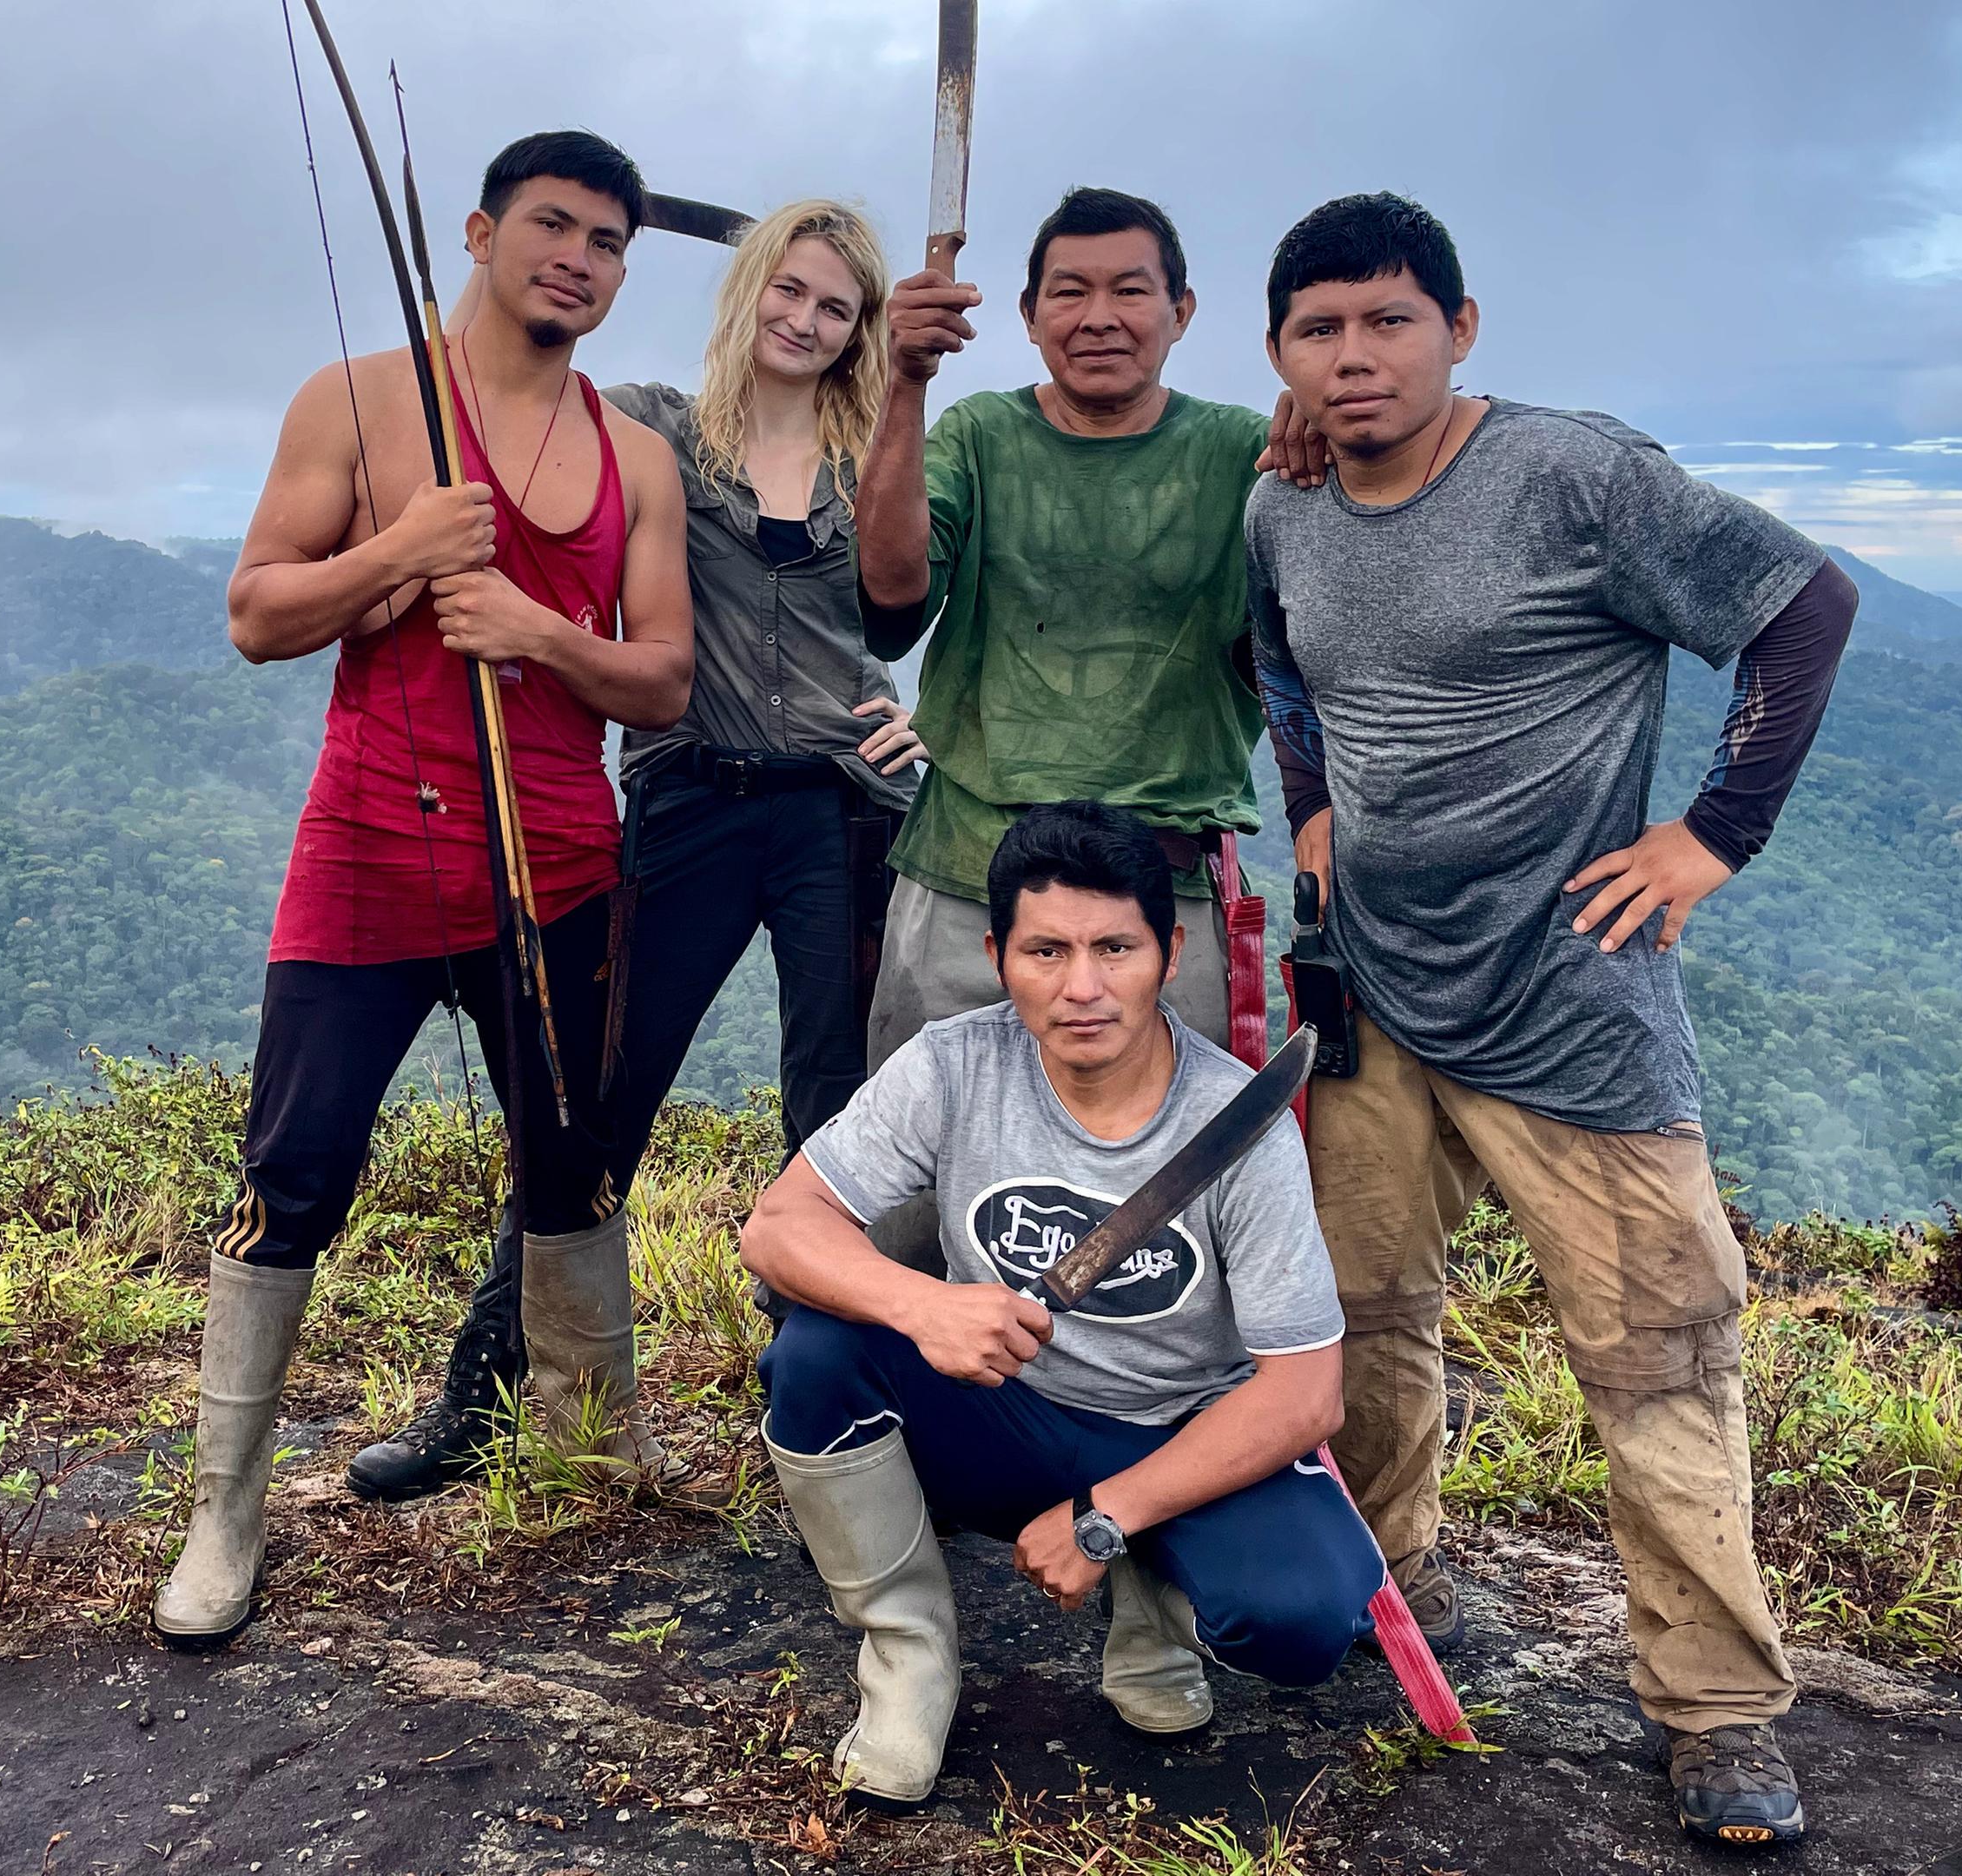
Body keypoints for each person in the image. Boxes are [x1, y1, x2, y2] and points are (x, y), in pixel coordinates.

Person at [1249, 191, 1860, 1846]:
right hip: (1373, 992)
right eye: (1322, 328)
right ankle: (1385, 1585)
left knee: (1660, 1351)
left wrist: (1714, 834)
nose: (1357, 355)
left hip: (1574, 1006)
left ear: (1461, 325)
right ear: (1282, 355)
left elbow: (1802, 608)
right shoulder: (1284, 506)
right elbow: (1282, 666)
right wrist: (1308, 800)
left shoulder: (1574, 476)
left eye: (1389, 319)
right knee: (1362, 1323)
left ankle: (1720, 1707)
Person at [151, 130, 695, 1648]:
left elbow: (659, 681)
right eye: (551, 225)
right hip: (370, 857)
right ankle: (225, 1517)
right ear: (478, 230)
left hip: (564, 862)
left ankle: (594, 1449)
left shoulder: (630, 455)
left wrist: (533, 627)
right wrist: (399, 547)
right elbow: (260, 613)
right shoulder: (360, 402)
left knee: (570, 1164)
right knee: (296, 1167)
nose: (576, 257)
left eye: (604, 241)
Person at [343, 200, 927, 1501]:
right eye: (789, 292)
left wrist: (925, 724)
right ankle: (484, 1395)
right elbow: (522, 452)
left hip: (841, 812)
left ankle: (817, 1427)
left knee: (832, 1110)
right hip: (688, 800)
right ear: (748, 295)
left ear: (861, 331)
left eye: (836, 308)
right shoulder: (651, 428)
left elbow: (919, 607)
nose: (805, 321)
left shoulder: (874, 457)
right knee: (597, 1093)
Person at [739, 801, 1383, 1807]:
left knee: (1305, 1618)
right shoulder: (955, 1064)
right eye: (1046, 950)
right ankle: (910, 1652)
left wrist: (1104, 1519)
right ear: (998, 955)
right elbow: (778, 1228)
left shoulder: (1238, 1125)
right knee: (817, 1354)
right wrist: (925, 1307)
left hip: (1174, 1436)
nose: (1081, 987)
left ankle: (1152, 1605)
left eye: (1115, 948)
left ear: (1171, 955)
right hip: (1003, 1414)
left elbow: (1306, 1395)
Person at [854, 186, 1277, 1261]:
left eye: (1131, 290)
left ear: (1181, 310)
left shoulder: (1243, 456)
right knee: (910, 1177)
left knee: (1151, 1195)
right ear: (1032, 317)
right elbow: (891, 598)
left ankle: (1125, 1414)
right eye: (1070, 293)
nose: (1100, 316)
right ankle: (879, 1397)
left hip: (1160, 889)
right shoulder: (980, 433)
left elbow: (1304, 649)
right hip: (965, 874)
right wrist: (903, 383)